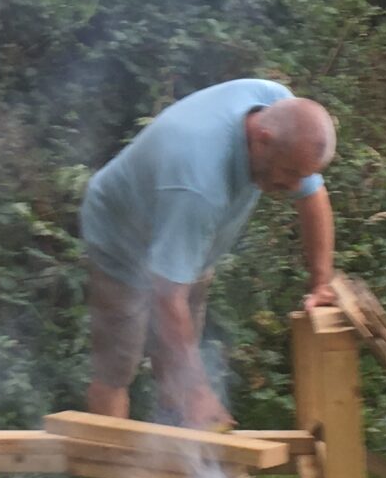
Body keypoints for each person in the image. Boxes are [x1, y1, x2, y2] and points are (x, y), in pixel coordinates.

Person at [78, 79, 336, 431]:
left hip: (185, 247)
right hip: (121, 245)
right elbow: (168, 296)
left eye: (301, 175)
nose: (294, 186)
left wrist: (321, 283)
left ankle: (176, 462)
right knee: (117, 367)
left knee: (178, 361)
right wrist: (199, 392)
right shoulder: (198, 180)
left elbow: (312, 197)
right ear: (262, 139)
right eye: (290, 173)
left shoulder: (279, 108)